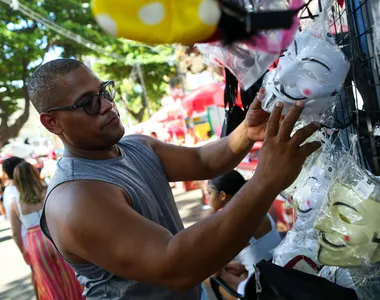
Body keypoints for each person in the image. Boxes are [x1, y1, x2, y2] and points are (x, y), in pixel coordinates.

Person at [29, 59, 320, 299]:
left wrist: (247, 130)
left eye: (104, 92)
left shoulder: (136, 146)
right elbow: (176, 266)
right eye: (88, 103)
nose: (106, 105)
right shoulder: (76, 197)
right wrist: (265, 180)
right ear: (52, 122)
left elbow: (203, 160)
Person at [9, 161, 84, 300]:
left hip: (35, 243)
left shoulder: (15, 204)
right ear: (34, 174)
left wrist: (23, 251)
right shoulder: (49, 189)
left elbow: (15, 233)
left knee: (49, 283)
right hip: (54, 235)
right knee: (70, 278)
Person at [207, 170, 282, 275]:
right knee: (239, 266)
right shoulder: (259, 209)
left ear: (223, 195)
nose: (207, 197)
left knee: (209, 277)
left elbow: (215, 271)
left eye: (209, 193)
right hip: (280, 271)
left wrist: (210, 215)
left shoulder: (231, 224)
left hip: (259, 286)